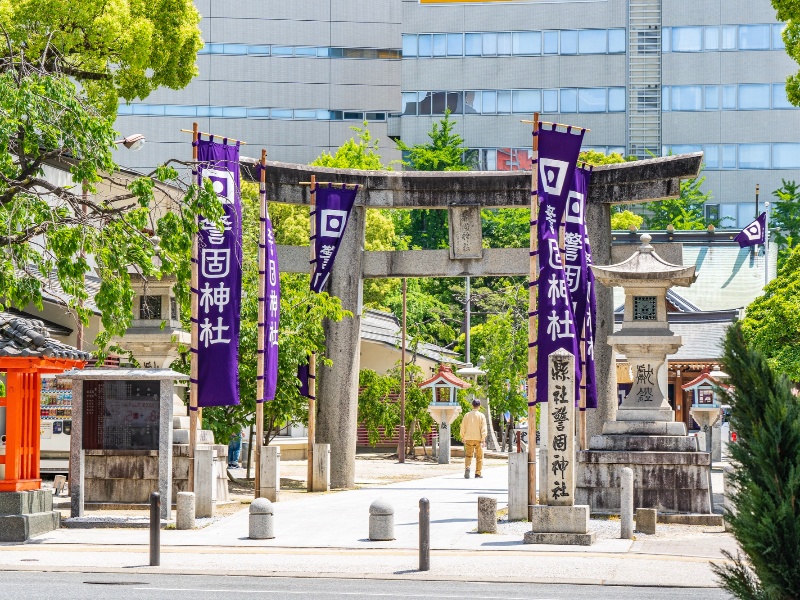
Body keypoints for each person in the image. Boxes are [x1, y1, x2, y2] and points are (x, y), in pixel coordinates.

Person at [460, 398, 487, 479]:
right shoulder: (481, 416)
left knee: (468, 455)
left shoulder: (467, 415)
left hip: (468, 438)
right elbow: (484, 428)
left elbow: (463, 427)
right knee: (479, 457)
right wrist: (483, 438)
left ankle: (467, 467)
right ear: (479, 406)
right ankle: (478, 473)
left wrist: (463, 436)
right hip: (478, 439)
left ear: (472, 405)